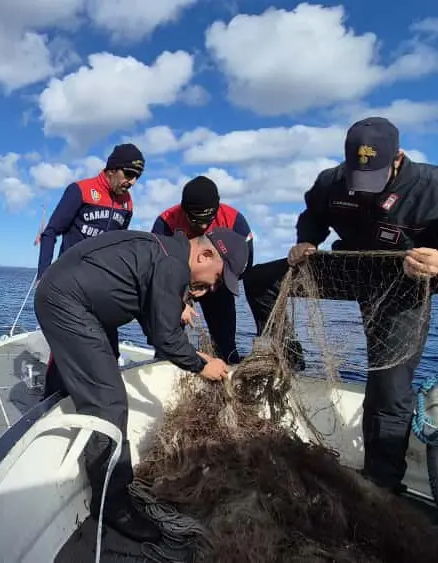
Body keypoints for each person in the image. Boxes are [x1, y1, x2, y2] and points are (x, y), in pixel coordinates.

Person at [242, 116, 438, 494]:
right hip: (349, 268)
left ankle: (382, 487)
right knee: (260, 281)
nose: (364, 188)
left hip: (404, 285)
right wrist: (306, 241)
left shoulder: (431, 188)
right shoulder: (331, 181)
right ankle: (290, 356)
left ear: (397, 158)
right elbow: (312, 216)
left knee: (389, 391)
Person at [34, 227, 249, 543]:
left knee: (97, 376)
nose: (214, 285)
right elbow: (165, 339)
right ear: (205, 255)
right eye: (219, 276)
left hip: (74, 299)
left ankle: (54, 411)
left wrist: (176, 310)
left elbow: (151, 313)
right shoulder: (173, 265)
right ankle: (113, 504)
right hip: (69, 304)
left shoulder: (166, 252)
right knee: (109, 402)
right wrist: (204, 365)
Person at [151, 175, 254, 364]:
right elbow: (157, 268)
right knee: (168, 336)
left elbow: (245, 266)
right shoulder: (166, 222)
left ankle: (225, 365)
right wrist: (181, 298)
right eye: (196, 220)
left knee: (225, 342)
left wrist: (211, 285)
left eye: (209, 219)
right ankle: (165, 364)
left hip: (218, 284)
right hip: (177, 286)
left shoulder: (234, 220)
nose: (204, 226)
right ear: (184, 210)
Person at [36, 142, 144, 280]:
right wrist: (43, 276)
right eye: (129, 174)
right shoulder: (80, 190)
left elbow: (119, 245)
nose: (133, 181)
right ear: (111, 170)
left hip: (101, 282)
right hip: (69, 277)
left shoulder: (127, 202)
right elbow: (50, 232)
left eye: (137, 176)